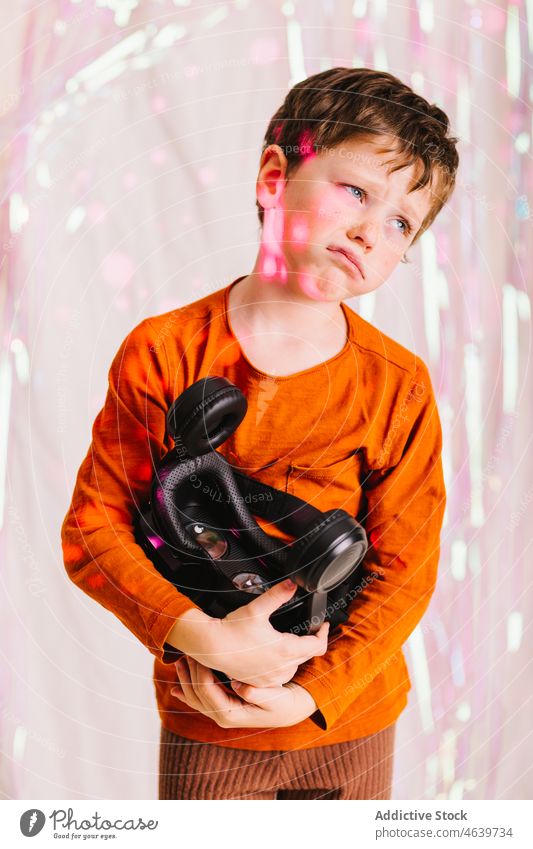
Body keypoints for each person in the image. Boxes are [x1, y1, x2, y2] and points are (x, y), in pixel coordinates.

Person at [61, 66, 459, 800]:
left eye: (402, 221)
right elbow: (94, 528)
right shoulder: (165, 351)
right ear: (274, 177)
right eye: (356, 190)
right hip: (209, 718)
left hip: (347, 724)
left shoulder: (396, 385)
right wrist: (207, 637)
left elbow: (406, 570)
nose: (373, 230)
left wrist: (312, 695)